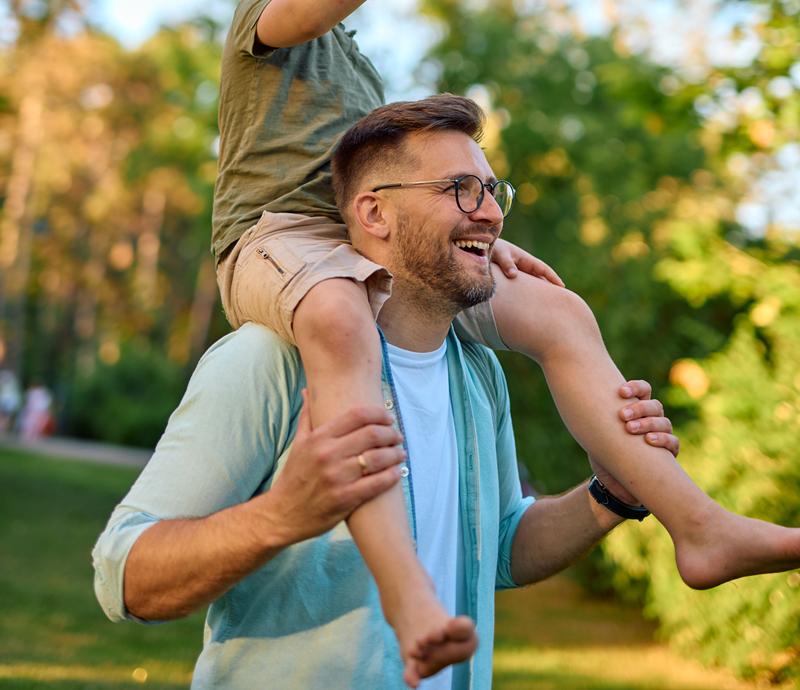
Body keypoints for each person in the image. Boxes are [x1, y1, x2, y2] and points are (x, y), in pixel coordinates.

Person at [211, 0, 800, 679]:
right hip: (275, 241)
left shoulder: (359, 64)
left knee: (557, 310)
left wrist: (479, 231)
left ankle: (696, 526)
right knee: (342, 316)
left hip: (365, 235)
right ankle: (411, 593)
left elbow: (393, 190)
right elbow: (302, 11)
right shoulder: (268, 9)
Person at [93, 94, 682, 689]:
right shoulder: (266, 359)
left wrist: (610, 496)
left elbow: (499, 550)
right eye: (460, 188)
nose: (491, 215)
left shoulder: (478, 374)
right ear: (375, 214)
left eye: (491, 190)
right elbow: (125, 574)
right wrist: (280, 517)